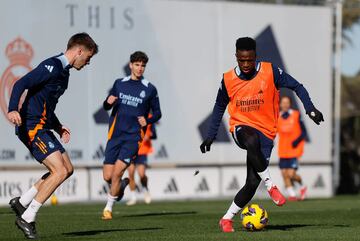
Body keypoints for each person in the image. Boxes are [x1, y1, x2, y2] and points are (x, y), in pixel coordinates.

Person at [200, 37, 323, 232]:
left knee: (251, 183)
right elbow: (219, 106)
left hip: (267, 132)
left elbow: (297, 86)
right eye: (242, 60)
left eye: (249, 60)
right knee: (250, 139)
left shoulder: (270, 71)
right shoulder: (228, 79)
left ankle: (227, 218)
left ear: (255, 56)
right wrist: (211, 134)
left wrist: (310, 109)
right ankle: (271, 185)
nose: (246, 64)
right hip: (241, 127)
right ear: (236, 57)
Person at [7, 32, 98, 239]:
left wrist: (57, 126)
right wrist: (12, 109)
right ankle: (27, 217)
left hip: (43, 127)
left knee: (68, 170)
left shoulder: (64, 74)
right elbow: (20, 84)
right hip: (31, 126)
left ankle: (22, 203)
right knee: (58, 171)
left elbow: (46, 105)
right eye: (88, 58)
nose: (88, 63)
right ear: (79, 50)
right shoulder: (52, 66)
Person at [101, 51, 161, 220]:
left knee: (117, 173)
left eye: (143, 65)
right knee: (107, 176)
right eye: (137, 64)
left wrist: (148, 120)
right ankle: (121, 186)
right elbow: (107, 106)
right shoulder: (119, 84)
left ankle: (108, 208)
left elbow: (158, 113)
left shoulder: (149, 89)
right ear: (130, 65)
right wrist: (107, 102)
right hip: (115, 136)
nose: (140, 68)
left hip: (133, 138)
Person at [277, 96, 308, 201]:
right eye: (283, 103)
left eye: (287, 102)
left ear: (290, 104)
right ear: (280, 104)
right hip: (282, 150)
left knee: (291, 174)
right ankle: (292, 195)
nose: (285, 105)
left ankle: (302, 186)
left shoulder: (296, 115)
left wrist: (296, 141)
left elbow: (304, 132)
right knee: (284, 174)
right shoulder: (277, 116)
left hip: (294, 150)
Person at [126, 118, 156, 206]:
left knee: (141, 174)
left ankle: (145, 189)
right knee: (131, 173)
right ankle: (133, 197)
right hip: (130, 149)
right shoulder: (130, 115)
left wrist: (148, 136)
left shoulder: (149, 117)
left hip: (142, 150)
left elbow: (154, 134)